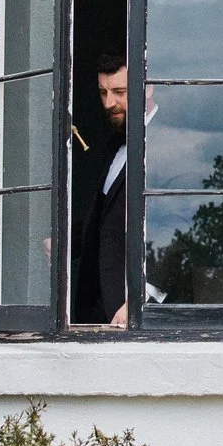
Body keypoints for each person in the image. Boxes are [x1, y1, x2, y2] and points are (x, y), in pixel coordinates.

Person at [73, 53, 132, 326]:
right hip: (97, 314)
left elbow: (178, 230)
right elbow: (107, 225)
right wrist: (64, 242)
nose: (109, 103)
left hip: (130, 315)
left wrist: (143, 301)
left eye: (119, 92)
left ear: (149, 85)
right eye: (103, 92)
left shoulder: (168, 144)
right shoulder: (114, 146)